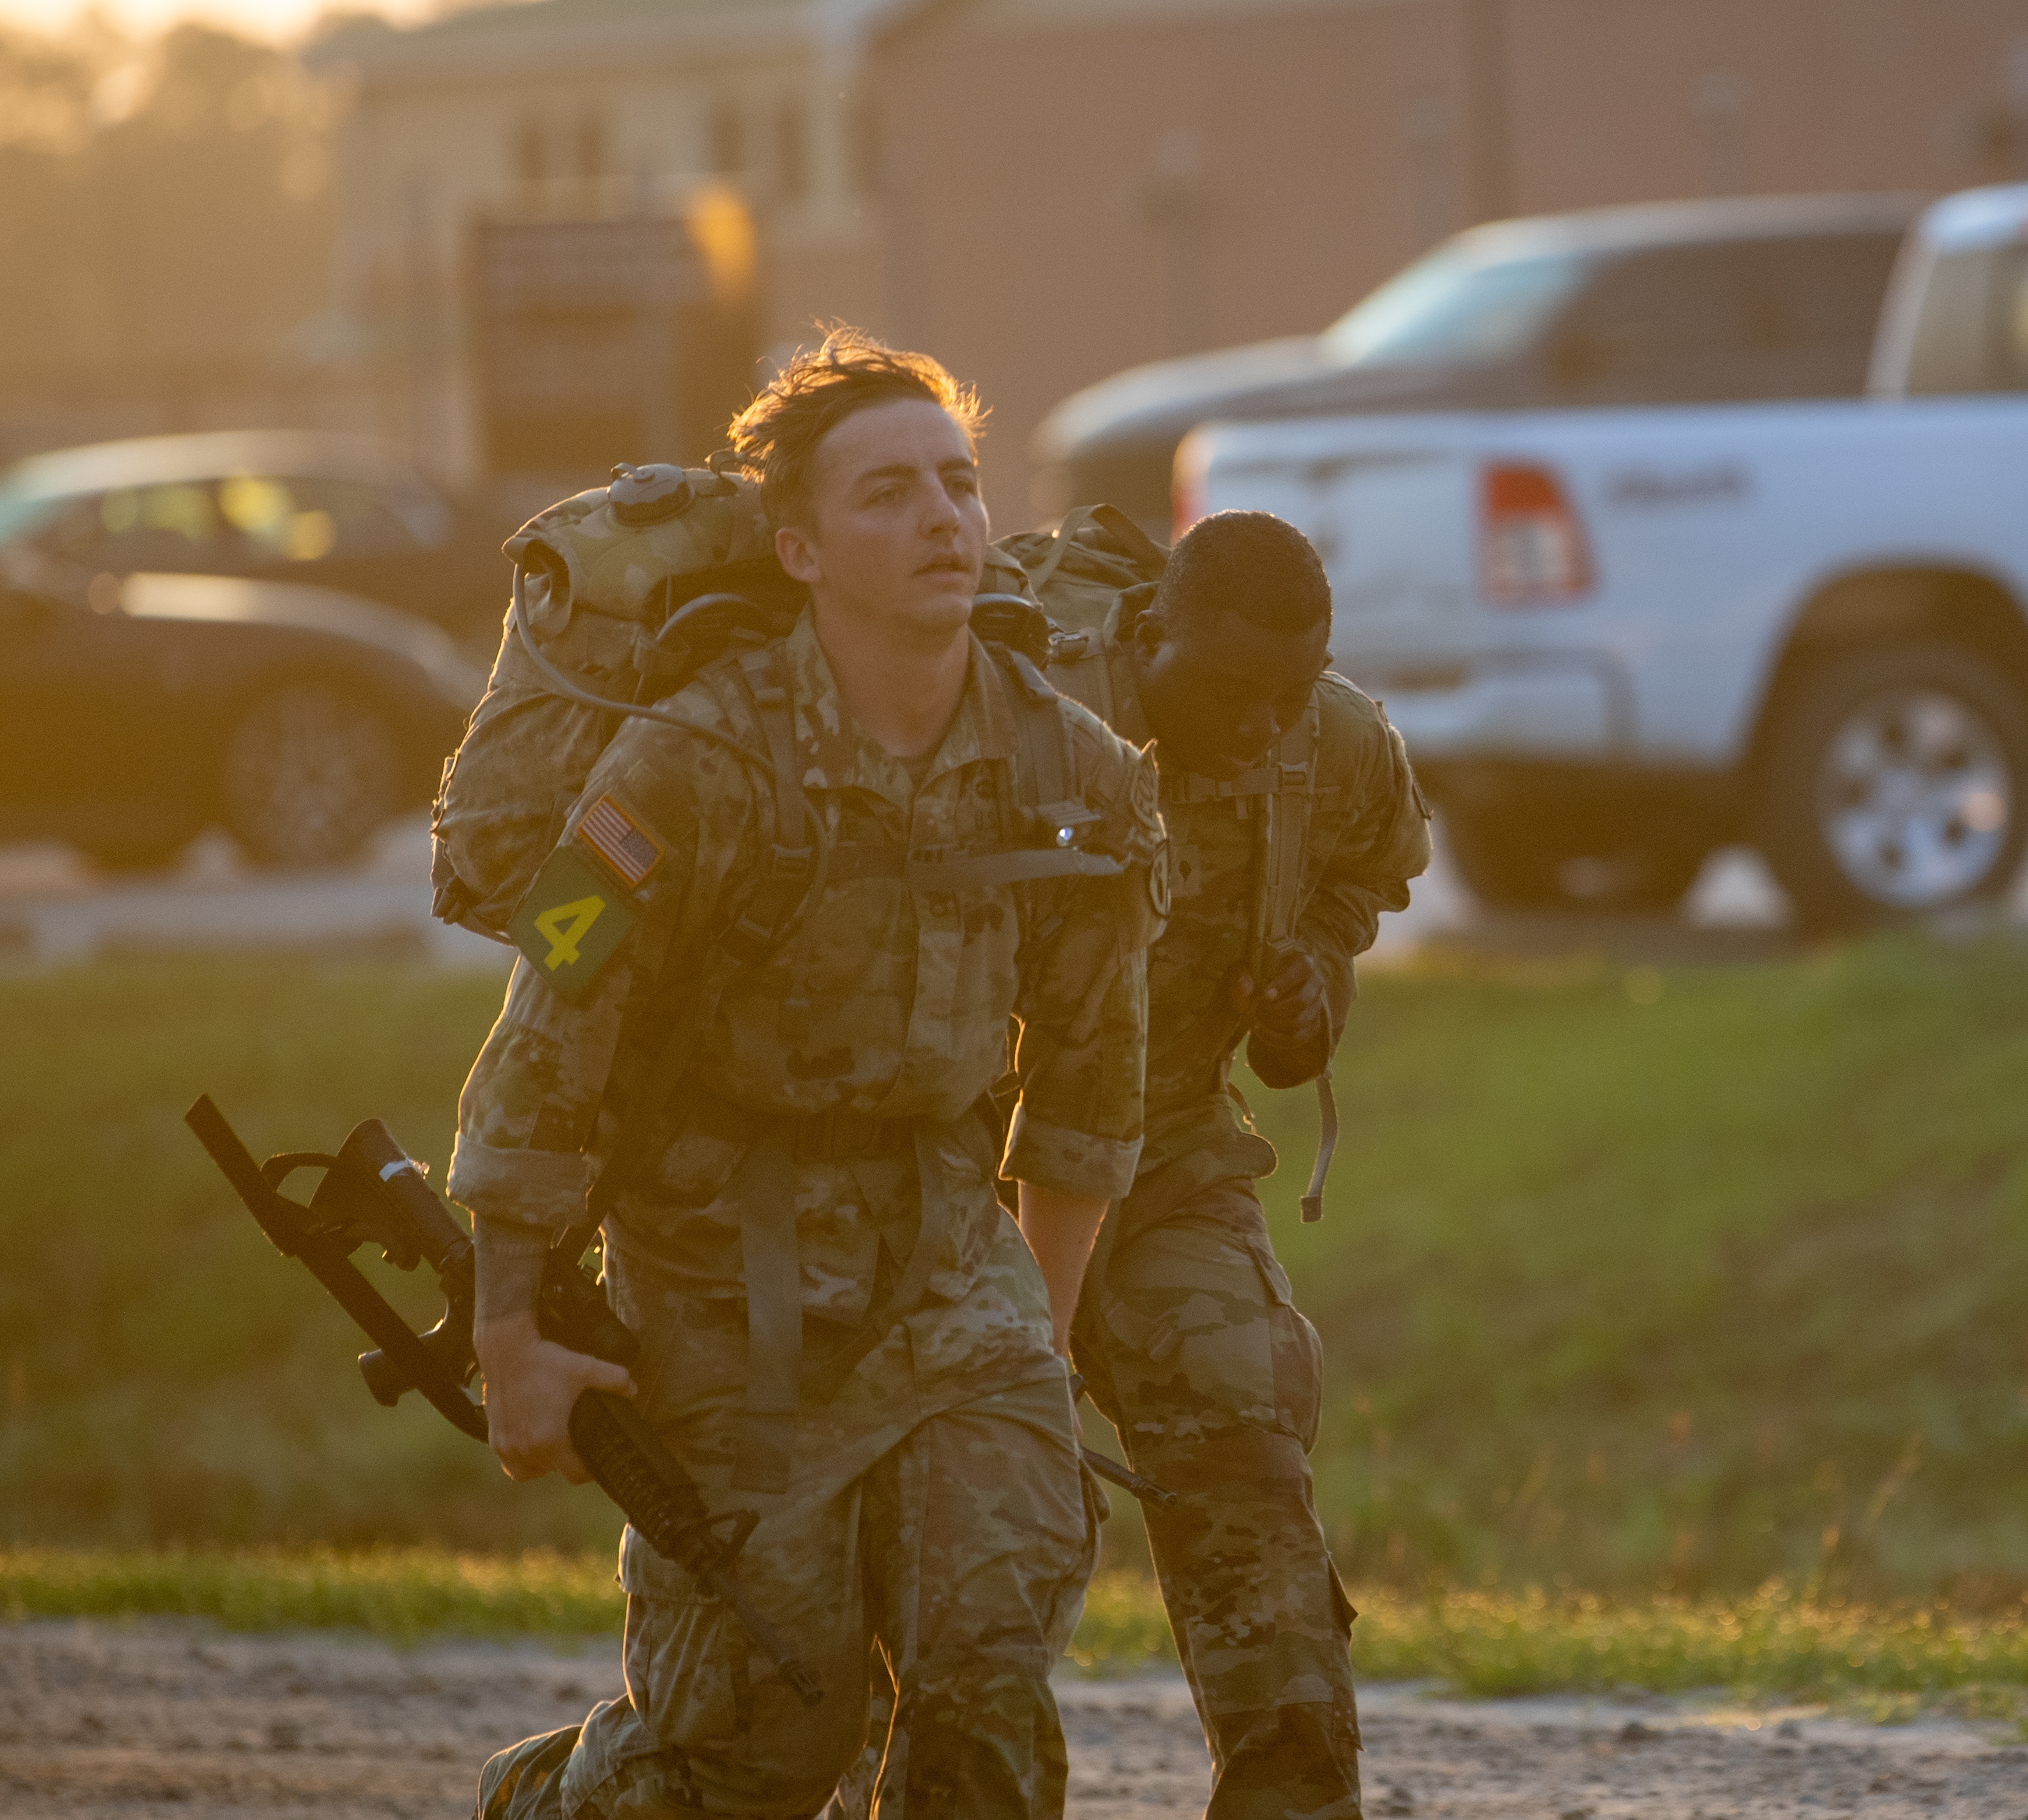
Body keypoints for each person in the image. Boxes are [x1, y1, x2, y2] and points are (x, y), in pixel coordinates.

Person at [452, 327, 1165, 1820]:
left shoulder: (1076, 772)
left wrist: (1033, 1342)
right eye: (886, 494)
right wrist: (509, 1330)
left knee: (987, 1694)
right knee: (760, 1740)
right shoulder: (679, 767)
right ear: (799, 550)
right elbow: (547, 1030)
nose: (941, 519)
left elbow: (1091, 1086)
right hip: (722, 1275)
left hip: (952, 1266)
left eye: (958, 484)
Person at [1071, 509, 1434, 1820]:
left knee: (1241, 1404)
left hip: (1160, 1141)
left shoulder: (1333, 742)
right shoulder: (1027, 717)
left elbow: (1361, 879)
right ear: (1149, 635)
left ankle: (1295, 1790)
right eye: (1232, 690)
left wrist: (1309, 987)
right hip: (945, 1164)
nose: (1264, 724)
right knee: (960, 1528)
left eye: (1293, 690)